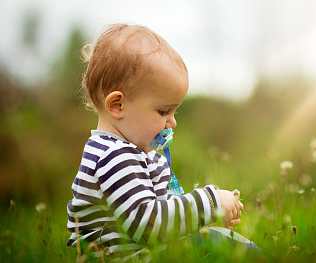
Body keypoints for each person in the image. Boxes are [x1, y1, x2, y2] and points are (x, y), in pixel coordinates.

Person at [66, 23, 256, 260]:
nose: (172, 122)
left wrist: (202, 221)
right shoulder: (113, 156)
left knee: (220, 241)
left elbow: (167, 221)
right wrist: (209, 203)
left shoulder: (139, 152)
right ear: (117, 105)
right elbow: (149, 225)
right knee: (227, 246)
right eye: (163, 111)